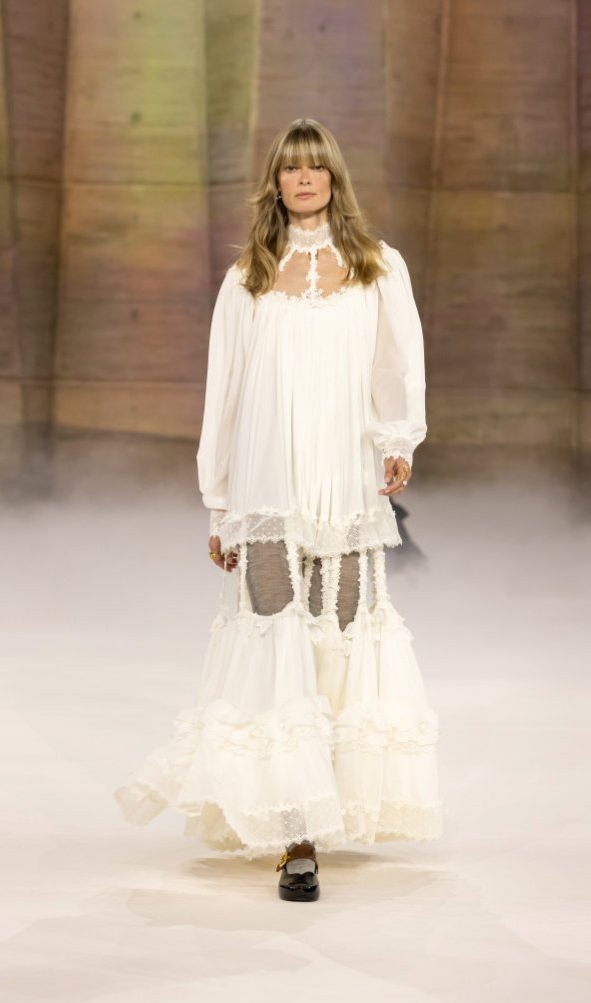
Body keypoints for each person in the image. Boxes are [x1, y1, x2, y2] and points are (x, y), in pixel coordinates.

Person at [114, 117, 444, 902]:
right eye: (290, 168)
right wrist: (220, 502)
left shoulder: (377, 266)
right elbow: (224, 393)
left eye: (315, 167)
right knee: (274, 641)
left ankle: (327, 803)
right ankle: (296, 833)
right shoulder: (249, 278)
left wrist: (399, 439)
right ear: (276, 182)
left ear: (333, 179)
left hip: (344, 485)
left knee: (340, 639)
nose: (303, 179)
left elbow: (399, 362)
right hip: (267, 488)